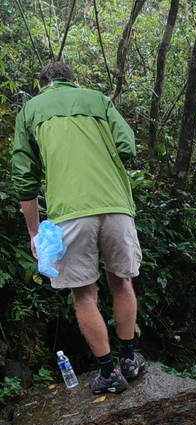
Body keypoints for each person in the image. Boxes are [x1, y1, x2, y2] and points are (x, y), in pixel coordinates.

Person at [12, 62, 146, 394]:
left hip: (69, 214)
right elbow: (128, 145)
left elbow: (24, 179)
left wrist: (33, 232)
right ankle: (129, 359)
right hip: (116, 207)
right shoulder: (98, 99)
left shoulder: (30, 110)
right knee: (122, 281)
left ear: (43, 85)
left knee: (84, 294)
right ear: (74, 81)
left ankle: (108, 372)